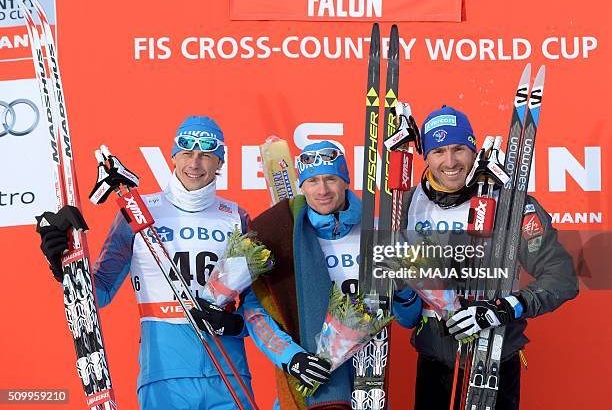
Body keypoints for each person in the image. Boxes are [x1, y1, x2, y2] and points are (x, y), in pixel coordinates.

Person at [37, 116, 328, 410]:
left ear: (220, 162)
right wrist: (64, 265)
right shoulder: (137, 212)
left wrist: (234, 324)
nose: (195, 163)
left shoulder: (236, 217)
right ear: (173, 156)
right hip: (164, 375)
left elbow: (255, 305)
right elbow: (99, 291)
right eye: (187, 152)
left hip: (227, 371)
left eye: (207, 155)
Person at [397, 106, 579, 410]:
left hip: (494, 360)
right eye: (439, 150)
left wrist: (507, 308)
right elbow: (392, 279)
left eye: (459, 149)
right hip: (435, 362)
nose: (451, 161)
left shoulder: (511, 204)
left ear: (474, 149)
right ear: (425, 155)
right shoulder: (404, 204)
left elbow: (561, 277)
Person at [248, 141, 423, 410]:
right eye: (313, 181)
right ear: (302, 186)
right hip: (309, 378)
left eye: (331, 178)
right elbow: (255, 310)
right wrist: (291, 357)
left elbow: (409, 318)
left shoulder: (378, 231)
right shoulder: (282, 237)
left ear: (345, 181)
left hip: (369, 378)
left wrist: (402, 289)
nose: (322, 190)